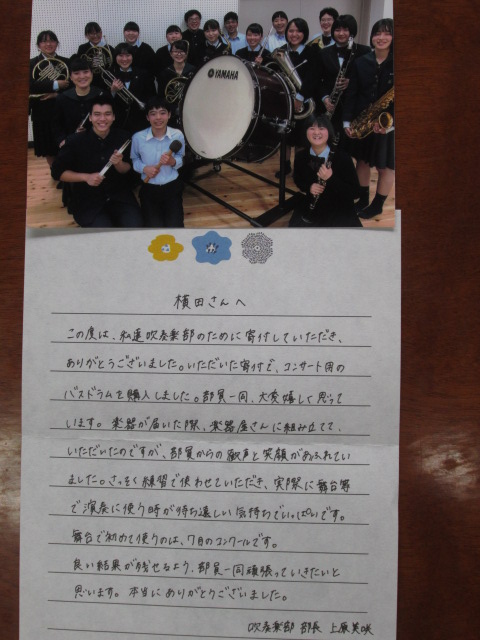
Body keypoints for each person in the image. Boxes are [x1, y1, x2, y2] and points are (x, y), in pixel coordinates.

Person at [51, 95, 142, 227]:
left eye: (107, 114)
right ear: (90, 117)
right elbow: (57, 172)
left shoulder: (124, 137)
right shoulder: (75, 141)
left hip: (120, 197)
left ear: (114, 117)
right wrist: (86, 177)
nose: (102, 119)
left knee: (135, 226)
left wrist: (119, 164)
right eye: (97, 114)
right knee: (103, 232)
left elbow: (129, 170)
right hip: (88, 201)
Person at [344, 18, 394, 218]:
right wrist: (347, 121)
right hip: (363, 121)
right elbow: (352, 93)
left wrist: (390, 124)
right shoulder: (361, 62)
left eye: (387, 33)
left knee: (385, 167)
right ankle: (363, 199)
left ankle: (377, 205)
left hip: (388, 124)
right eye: (377, 33)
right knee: (362, 162)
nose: (381, 37)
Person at [289, 114, 361, 227]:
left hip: (339, 207)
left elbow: (355, 192)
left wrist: (331, 178)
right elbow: (298, 180)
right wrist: (309, 187)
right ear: (305, 132)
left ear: (329, 132)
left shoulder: (343, 158)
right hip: (313, 205)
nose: (316, 132)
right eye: (312, 128)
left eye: (321, 128)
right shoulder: (301, 156)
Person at [275, 17, 320, 176]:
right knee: (285, 136)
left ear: (304, 33)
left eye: (298, 31)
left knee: (302, 137)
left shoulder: (312, 52)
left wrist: (300, 98)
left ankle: (300, 168)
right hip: (285, 100)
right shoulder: (281, 51)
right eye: (291, 31)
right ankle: (285, 166)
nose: (294, 34)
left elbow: (313, 77)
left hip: (305, 102)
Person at [131, 97, 185, 227]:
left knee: (175, 227)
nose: (158, 117)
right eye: (153, 114)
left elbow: (181, 158)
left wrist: (173, 161)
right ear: (147, 117)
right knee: (153, 228)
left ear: (169, 115)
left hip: (172, 187)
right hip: (149, 188)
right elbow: (135, 160)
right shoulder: (138, 138)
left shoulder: (178, 135)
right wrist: (144, 168)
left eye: (162, 113)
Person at [319, 15, 371, 131]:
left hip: (355, 107)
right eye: (337, 30)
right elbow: (319, 80)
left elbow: (369, 79)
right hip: (332, 107)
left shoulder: (365, 51)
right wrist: (325, 99)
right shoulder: (324, 53)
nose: (341, 33)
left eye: (345, 30)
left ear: (352, 31)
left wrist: (351, 82)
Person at [29, 31, 70, 167]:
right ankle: (55, 171)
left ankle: (65, 172)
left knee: (65, 144)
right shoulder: (31, 64)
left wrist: (57, 94)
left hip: (63, 109)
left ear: (57, 43)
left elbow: (73, 85)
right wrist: (56, 84)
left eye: (52, 40)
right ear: (38, 45)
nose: (48, 44)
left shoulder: (66, 62)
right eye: (44, 41)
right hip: (42, 111)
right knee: (48, 147)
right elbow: (31, 85)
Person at [53, 57, 103, 149]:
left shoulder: (102, 95)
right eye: (76, 73)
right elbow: (57, 125)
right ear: (71, 77)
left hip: (99, 144)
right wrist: (62, 140)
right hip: (71, 145)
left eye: (86, 72)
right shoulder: (62, 98)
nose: (82, 76)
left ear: (92, 74)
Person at [108, 43, 156, 135]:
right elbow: (103, 101)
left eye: (128, 55)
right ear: (115, 57)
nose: (124, 59)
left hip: (140, 121)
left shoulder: (143, 74)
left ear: (133, 56)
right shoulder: (110, 73)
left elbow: (152, 96)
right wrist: (113, 91)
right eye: (120, 55)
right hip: (117, 122)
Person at [157, 40, 196, 128]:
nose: (179, 54)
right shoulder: (165, 73)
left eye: (182, 51)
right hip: (171, 112)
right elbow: (161, 96)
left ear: (186, 53)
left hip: (190, 110)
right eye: (175, 51)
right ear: (171, 54)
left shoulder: (193, 70)